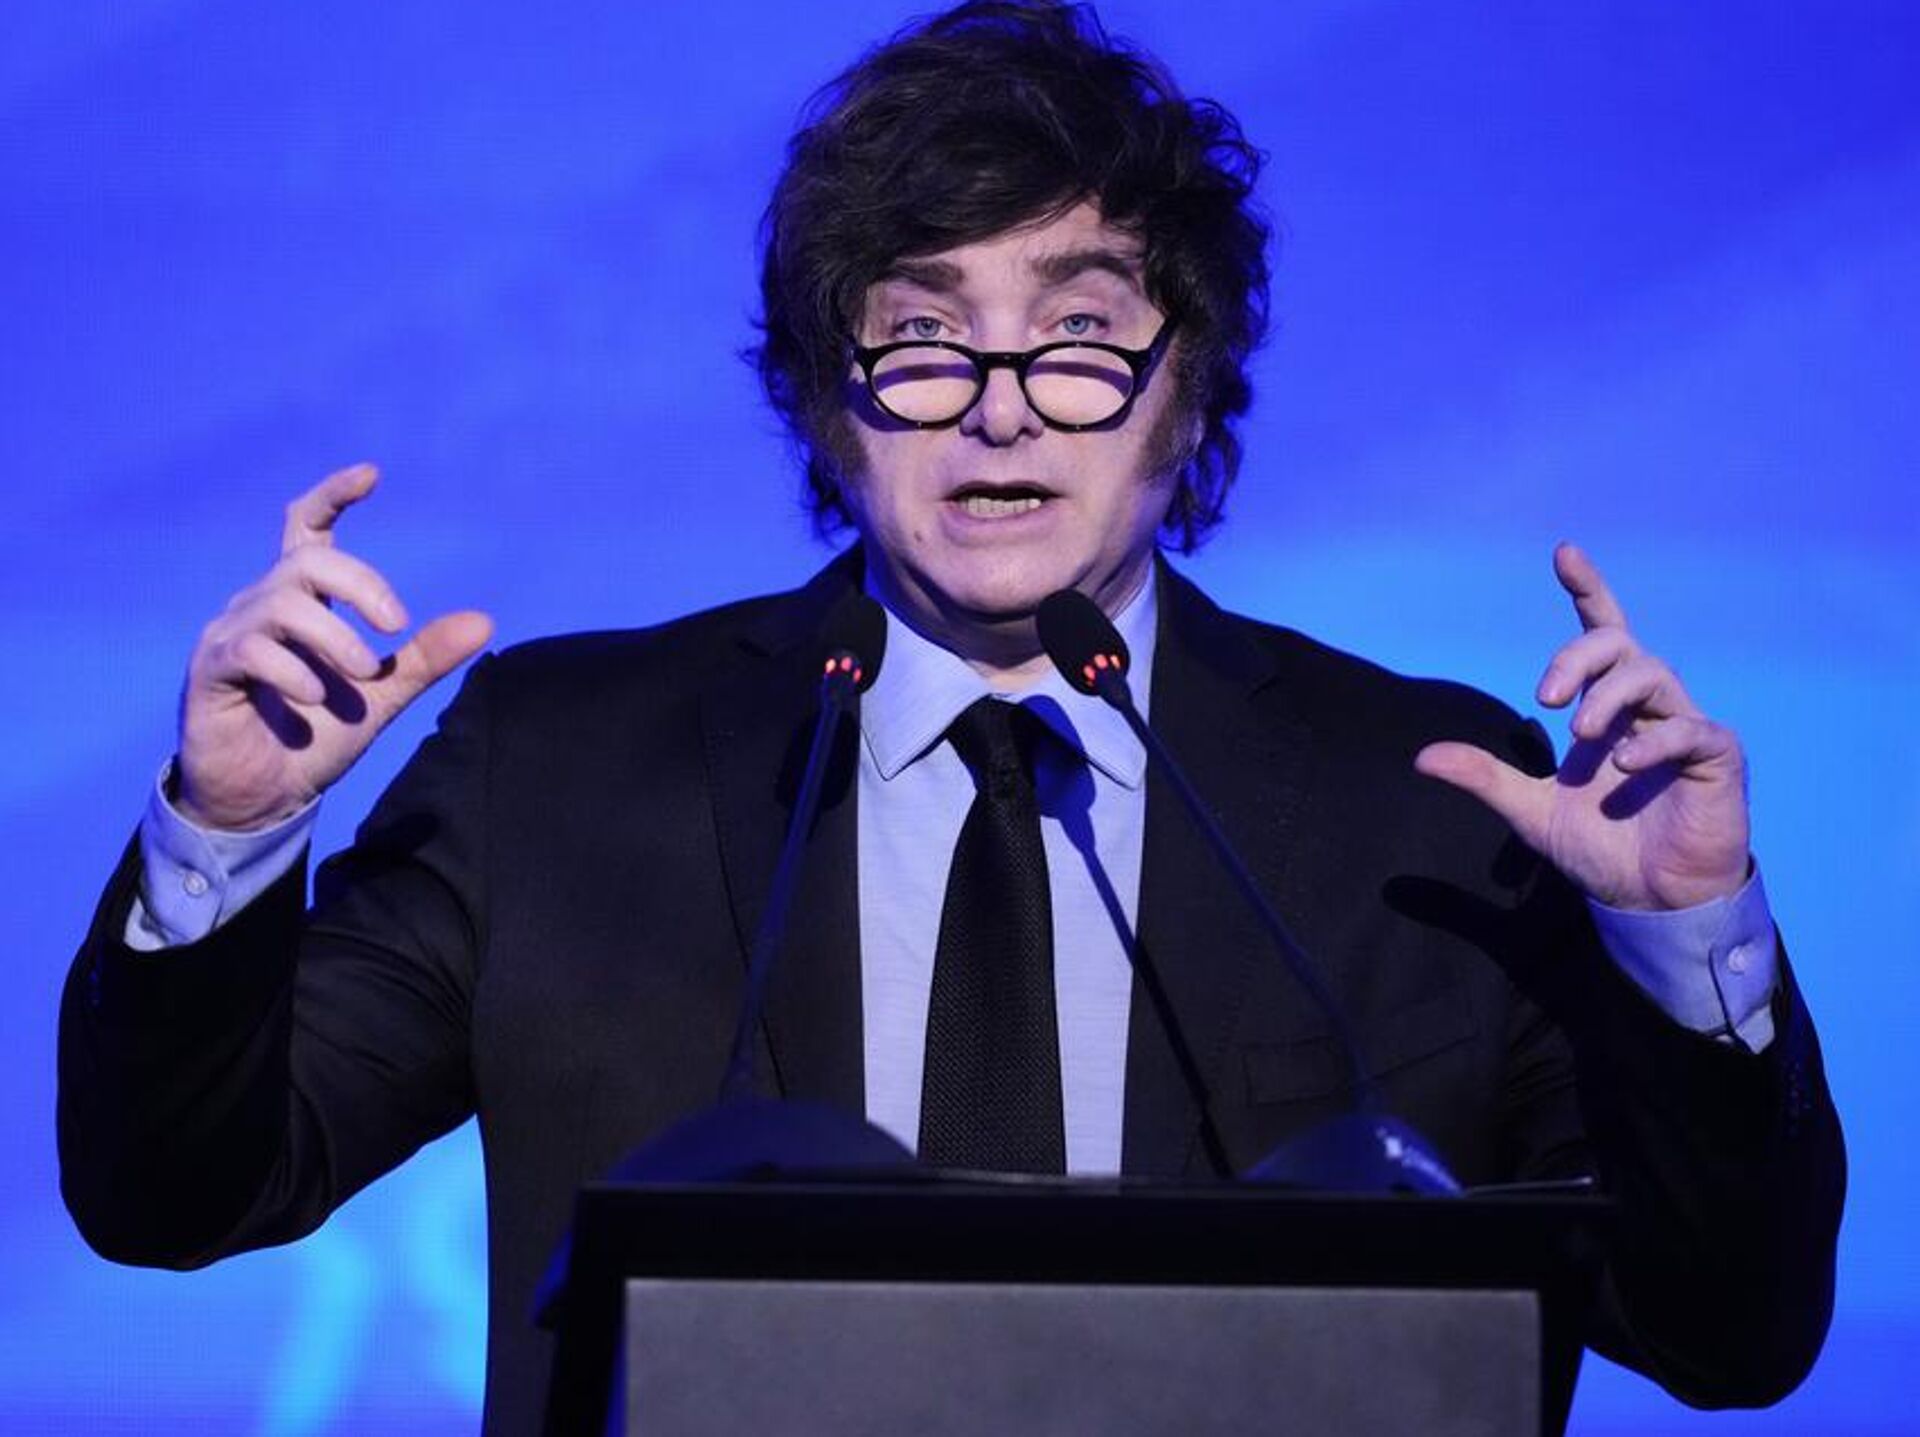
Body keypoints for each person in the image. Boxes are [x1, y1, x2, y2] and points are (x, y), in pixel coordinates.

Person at [58, 3, 1843, 1434]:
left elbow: (1728, 1336)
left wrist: (1685, 941)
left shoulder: (1426, 800)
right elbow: (177, 1194)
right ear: (827, 402)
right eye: (922, 335)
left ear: (1185, 396)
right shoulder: (560, 764)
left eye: (1079, 333)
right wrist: (228, 832)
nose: (1002, 407)